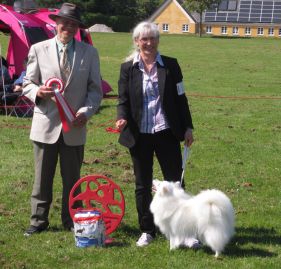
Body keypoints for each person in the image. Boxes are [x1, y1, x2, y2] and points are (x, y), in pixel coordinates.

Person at [23, 3, 103, 236]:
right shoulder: (38, 49)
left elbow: (95, 89)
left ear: (78, 27)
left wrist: (86, 111)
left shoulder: (90, 53)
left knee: (73, 180)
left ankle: (72, 219)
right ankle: (38, 220)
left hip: (75, 127)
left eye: (73, 23)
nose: (68, 26)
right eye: (64, 22)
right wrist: (37, 92)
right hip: (45, 125)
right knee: (41, 179)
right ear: (55, 23)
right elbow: (27, 83)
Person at [115, 22, 194, 247]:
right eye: (144, 39)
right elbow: (123, 100)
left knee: (176, 182)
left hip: (167, 132)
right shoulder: (127, 68)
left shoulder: (170, 65)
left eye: (152, 38)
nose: (148, 43)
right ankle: (147, 230)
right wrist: (121, 117)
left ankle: (182, 230)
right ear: (136, 41)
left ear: (158, 40)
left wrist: (188, 127)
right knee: (142, 184)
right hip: (139, 135)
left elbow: (181, 98)